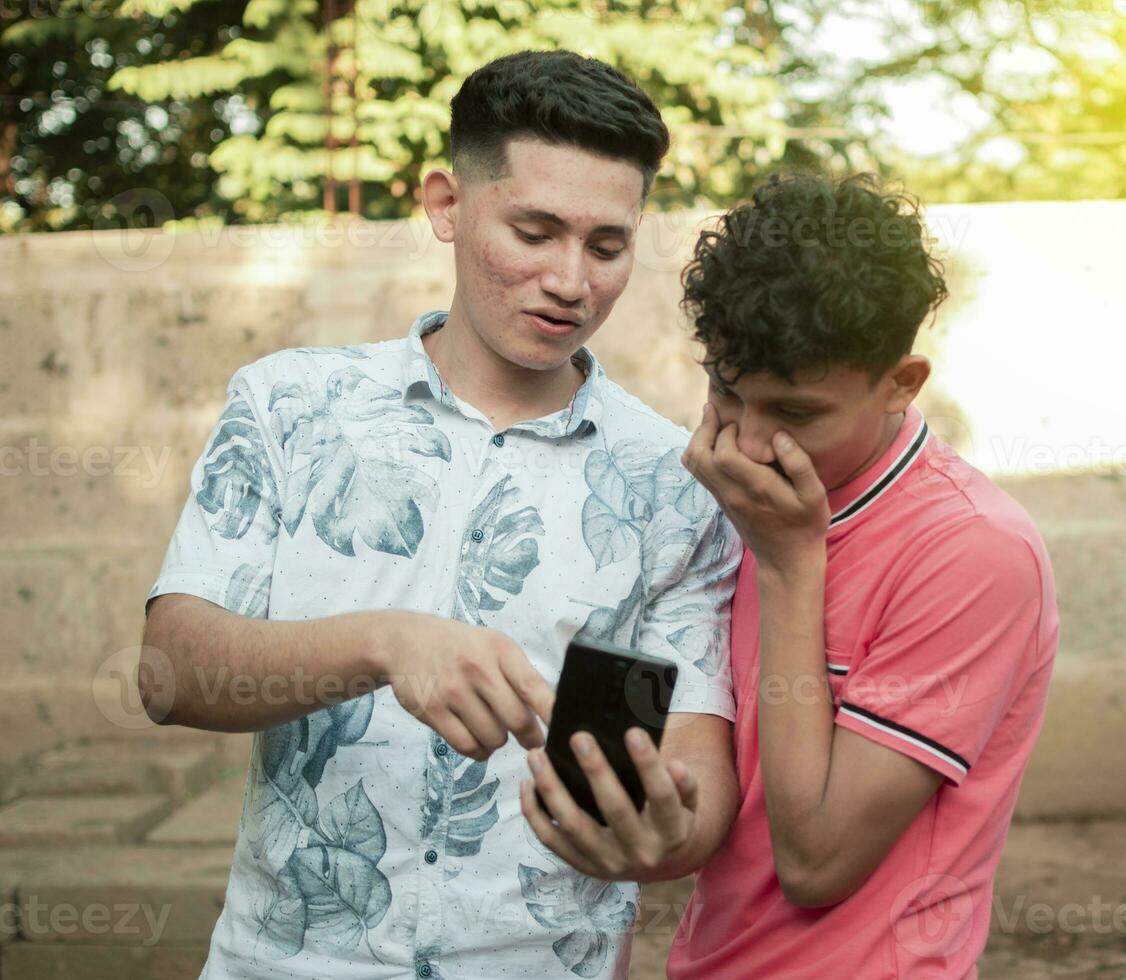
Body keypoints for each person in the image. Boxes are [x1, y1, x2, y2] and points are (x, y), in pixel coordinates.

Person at [139, 49, 741, 980]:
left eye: (608, 246)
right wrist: (383, 642)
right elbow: (171, 673)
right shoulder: (289, 404)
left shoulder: (675, 480)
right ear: (445, 205)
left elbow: (697, 780)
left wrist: (666, 832)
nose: (572, 280)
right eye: (535, 231)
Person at [669, 171, 1060, 977]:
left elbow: (816, 863)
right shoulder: (735, 499)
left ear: (901, 384)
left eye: (798, 413)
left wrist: (788, 567)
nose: (748, 442)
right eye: (726, 393)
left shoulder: (973, 553)